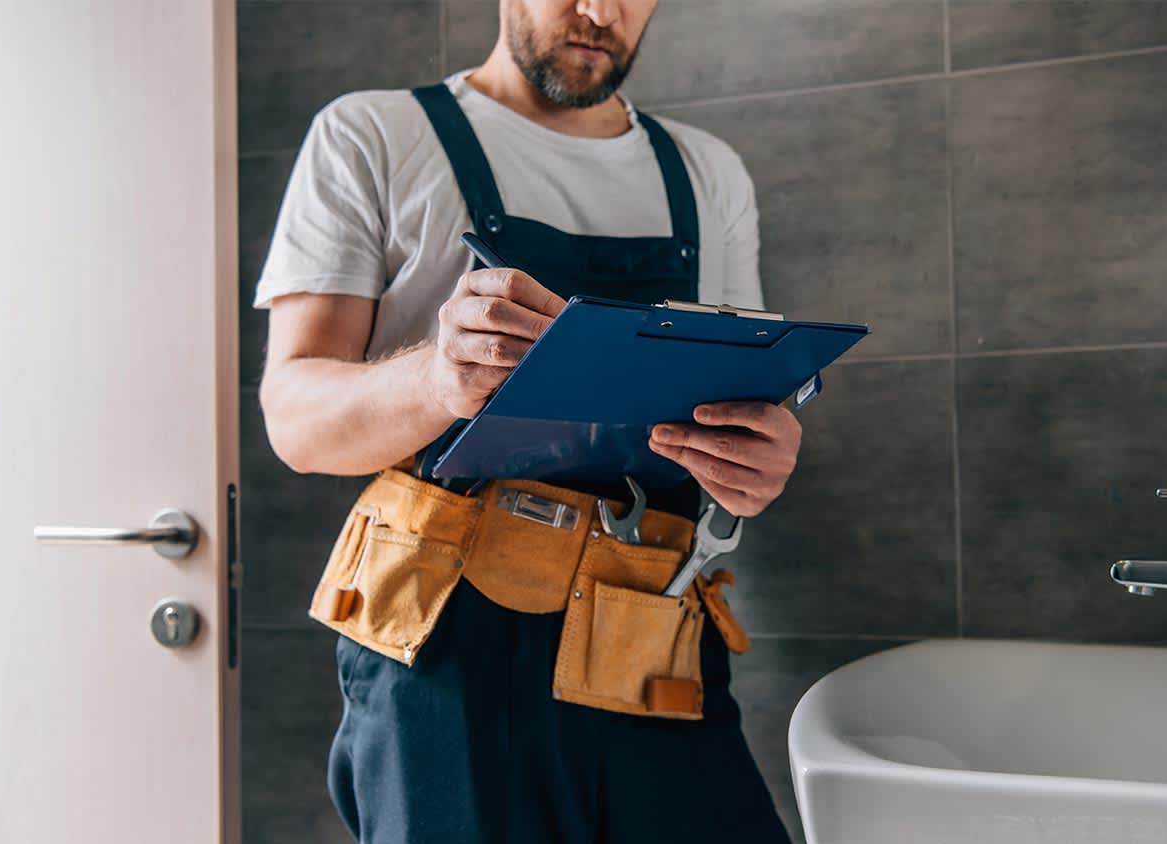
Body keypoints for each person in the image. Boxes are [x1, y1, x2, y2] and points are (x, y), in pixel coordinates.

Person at [254, 1, 803, 841]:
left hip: (651, 637)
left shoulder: (708, 171)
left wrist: (755, 461)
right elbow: (294, 420)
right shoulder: (372, 134)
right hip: (448, 654)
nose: (598, 11)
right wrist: (437, 380)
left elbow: (739, 398)